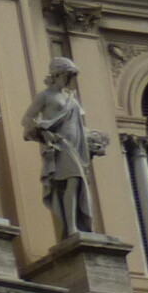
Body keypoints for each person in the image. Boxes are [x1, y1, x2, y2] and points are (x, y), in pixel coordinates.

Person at [23, 56, 108, 239]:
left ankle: (77, 224)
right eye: (67, 75)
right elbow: (27, 119)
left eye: (71, 76)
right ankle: (71, 227)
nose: (69, 80)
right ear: (57, 74)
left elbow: (78, 124)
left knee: (78, 184)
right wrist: (45, 134)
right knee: (73, 181)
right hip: (61, 144)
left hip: (78, 145)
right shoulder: (45, 96)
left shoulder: (71, 98)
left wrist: (93, 139)